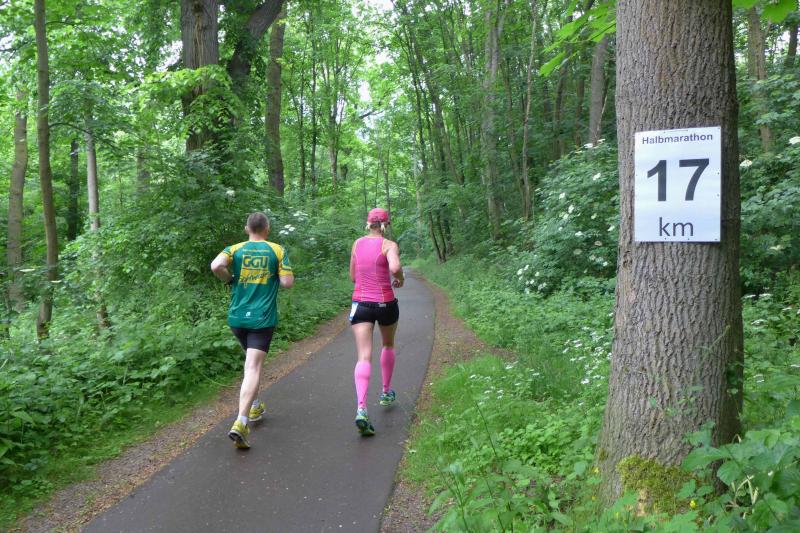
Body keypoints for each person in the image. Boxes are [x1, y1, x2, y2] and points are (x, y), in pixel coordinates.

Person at [210, 212, 294, 449]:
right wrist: (275, 276)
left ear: (247, 229)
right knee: (253, 367)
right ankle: (241, 421)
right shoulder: (277, 250)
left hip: (237, 317)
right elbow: (287, 283)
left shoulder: (234, 249)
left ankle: (255, 406)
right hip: (261, 318)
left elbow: (216, 265)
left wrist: (230, 280)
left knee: (250, 364)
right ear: (267, 229)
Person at [349, 208, 404, 436]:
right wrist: (399, 278)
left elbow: (353, 276)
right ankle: (385, 392)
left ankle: (361, 408)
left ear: (368, 223)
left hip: (361, 303)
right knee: (388, 345)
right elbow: (395, 268)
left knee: (363, 356)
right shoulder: (389, 245)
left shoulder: (357, 244)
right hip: (385, 303)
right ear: (386, 224)